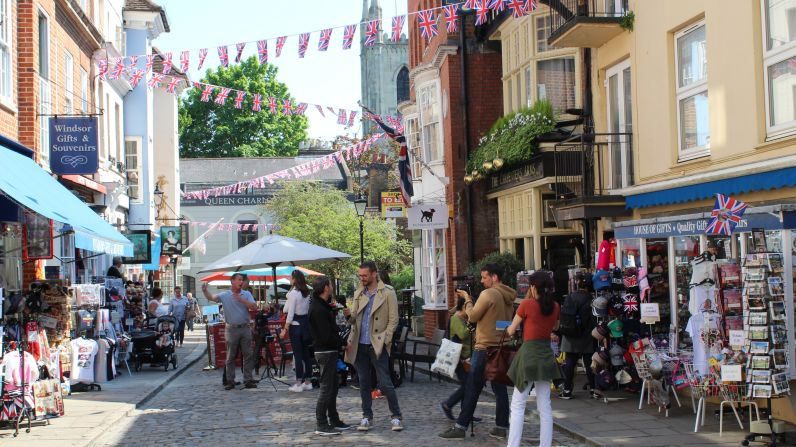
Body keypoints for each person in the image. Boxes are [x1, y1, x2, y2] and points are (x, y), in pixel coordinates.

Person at [439, 263, 515, 440]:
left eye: (484, 277)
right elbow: (505, 323)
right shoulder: (509, 296)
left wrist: (467, 298)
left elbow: (472, 316)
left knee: (472, 388)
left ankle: (460, 427)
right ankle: (502, 427)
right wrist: (493, 328)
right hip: (501, 347)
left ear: (494, 277)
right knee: (500, 389)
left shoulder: (488, 294)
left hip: (483, 349)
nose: (482, 281)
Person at [344, 261, 403, 432]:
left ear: (373, 274)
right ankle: (366, 417)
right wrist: (349, 315)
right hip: (359, 343)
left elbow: (394, 319)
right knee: (363, 382)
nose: (361, 278)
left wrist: (386, 339)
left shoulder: (388, 293)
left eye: (364, 275)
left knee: (385, 382)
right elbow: (354, 319)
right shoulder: (358, 292)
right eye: (360, 275)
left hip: (378, 343)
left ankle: (396, 416)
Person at [505, 270, 562, 447]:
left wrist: (506, 329)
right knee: (545, 406)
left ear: (532, 287)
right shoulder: (555, 306)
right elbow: (556, 326)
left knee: (518, 405)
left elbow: (511, 330)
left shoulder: (527, 305)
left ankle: (512, 445)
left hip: (528, 356)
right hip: (545, 356)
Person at [309, 276, 351, 436]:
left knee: (333, 387)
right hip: (325, 351)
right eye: (330, 285)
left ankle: (334, 419)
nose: (332, 287)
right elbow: (326, 335)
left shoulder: (323, 306)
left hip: (329, 351)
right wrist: (341, 343)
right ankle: (321, 423)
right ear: (326, 287)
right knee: (326, 388)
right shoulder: (318, 309)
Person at [201, 273, 258, 390]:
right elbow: (212, 298)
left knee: (248, 355)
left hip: (245, 327)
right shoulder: (225, 295)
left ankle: (248, 380)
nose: (241, 282)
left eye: (242, 280)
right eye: (239, 280)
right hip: (231, 329)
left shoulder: (246, 294)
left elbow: (254, 307)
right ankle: (230, 381)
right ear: (232, 281)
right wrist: (205, 291)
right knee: (230, 356)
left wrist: (241, 300)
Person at [439, 296, 478, 421]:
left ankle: (466, 414)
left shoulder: (465, 318)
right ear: (463, 306)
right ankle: (448, 404)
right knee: (467, 385)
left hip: (467, 357)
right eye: (470, 306)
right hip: (458, 357)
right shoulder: (456, 318)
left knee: (468, 385)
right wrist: (471, 326)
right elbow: (461, 334)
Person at [559, 274, 597, 399]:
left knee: (570, 362)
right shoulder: (590, 299)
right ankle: (593, 389)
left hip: (571, 334)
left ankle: (567, 390)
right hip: (586, 335)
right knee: (589, 363)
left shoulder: (570, 297)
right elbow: (592, 319)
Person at [280, 270, 313, 393]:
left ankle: (299, 383)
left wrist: (284, 330)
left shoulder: (294, 293)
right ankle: (307, 381)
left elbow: (289, 314)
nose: (289, 279)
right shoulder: (306, 293)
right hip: (305, 326)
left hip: (295, 326)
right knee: (306, 355)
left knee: (297, 355)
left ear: (294, 279)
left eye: (290, 277)